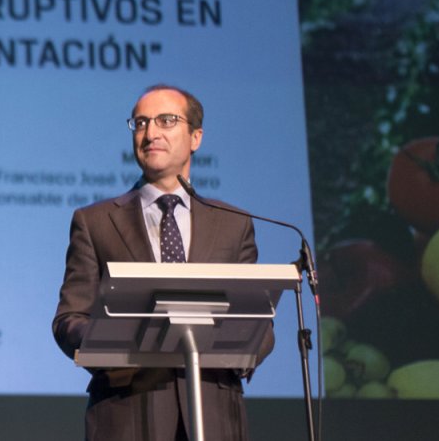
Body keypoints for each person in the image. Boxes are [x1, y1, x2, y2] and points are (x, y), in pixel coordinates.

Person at [52, 84, 273, 441]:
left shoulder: (233, 223)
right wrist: (110, 340)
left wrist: (247, 349)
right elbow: (68, 320)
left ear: (195, 137)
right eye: (140, 123)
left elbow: (258, 325)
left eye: (166, 121)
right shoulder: (94, 221)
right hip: (127, 414)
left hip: (213, 413)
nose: (150, 133)